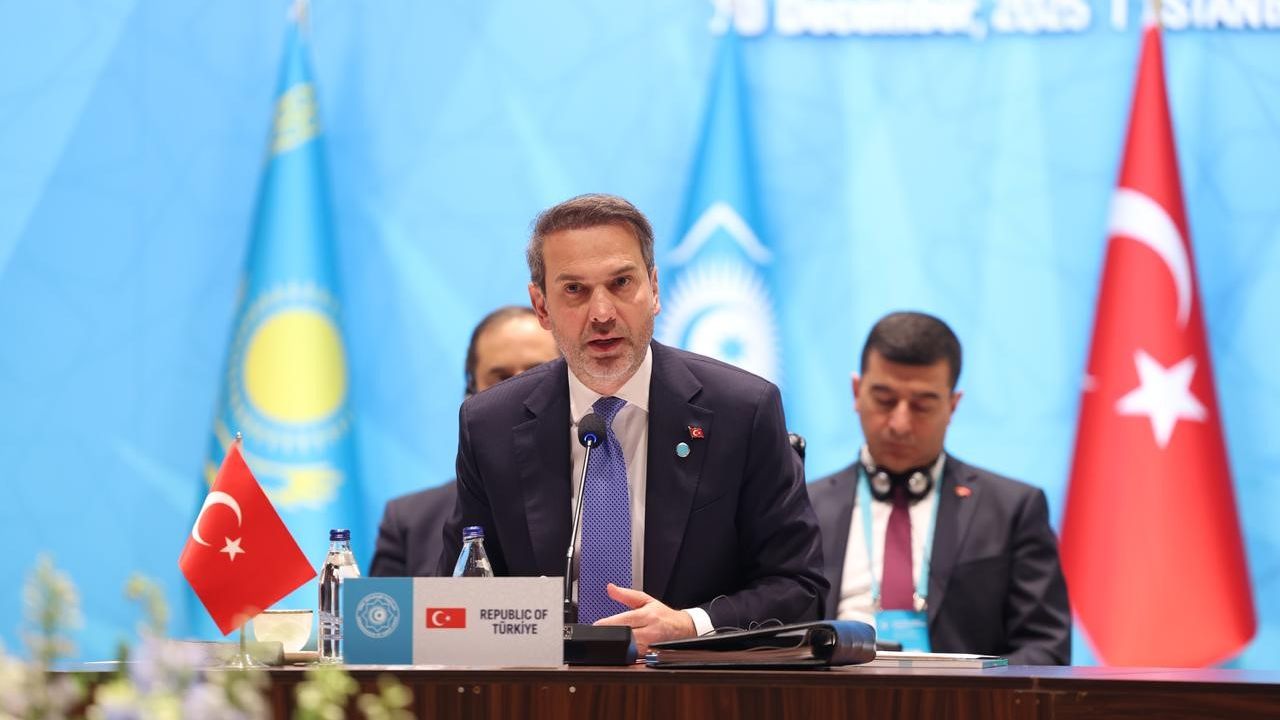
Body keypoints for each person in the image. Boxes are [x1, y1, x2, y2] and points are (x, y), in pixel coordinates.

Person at [439, 193, 826, 651]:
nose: (602, 314)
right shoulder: (491, 425)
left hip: (695, 686)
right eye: (575, 290)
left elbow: (800, 588)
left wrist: (689, 625)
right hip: (546, 686)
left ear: (654, 289)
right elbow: (460, 599)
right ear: (541, 306)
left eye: (621, 283)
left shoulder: (741, 411)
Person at [807, 311, 1070, 665]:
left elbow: (1046, 649)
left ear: (952, 406)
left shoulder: (1012, 510)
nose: (900, 424)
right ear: (856, 392)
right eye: (884, 400)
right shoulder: (805, 506)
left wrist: (971, 690)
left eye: (922, 406)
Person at [368, 306, 559, 577]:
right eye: (502, 379)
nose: (518, 394)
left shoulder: (597, 506)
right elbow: (382, 605)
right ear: (471, 392)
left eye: (536, 373)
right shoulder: (409, 521)